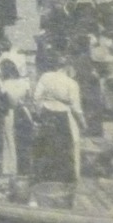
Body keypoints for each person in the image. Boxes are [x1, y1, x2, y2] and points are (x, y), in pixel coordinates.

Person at [31, 54, 86, 185]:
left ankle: (44, 176)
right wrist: (83, 122)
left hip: (47, 113)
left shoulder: (45, 77)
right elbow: (76, 107)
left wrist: (39, 111)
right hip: (64, 116)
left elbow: (36, 97)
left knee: (45, 144)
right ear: (68, 67)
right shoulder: (71, 83)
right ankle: (64, 178)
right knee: (65, 147)